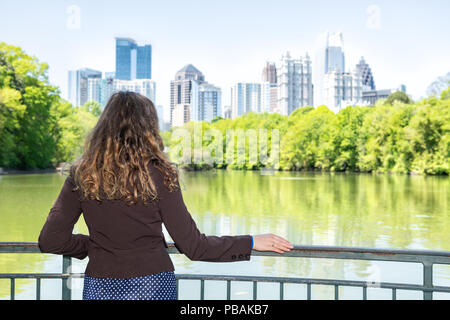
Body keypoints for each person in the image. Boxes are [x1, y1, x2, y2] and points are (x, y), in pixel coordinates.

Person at [38, 91, 293, 300]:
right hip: (152, 286)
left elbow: (50, 240)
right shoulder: (160, 173)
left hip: (100, 287)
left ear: (104, 127)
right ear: (149, 129)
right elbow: (193, 246)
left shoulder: (83, 174)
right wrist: (249, 241)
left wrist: (94, 246)